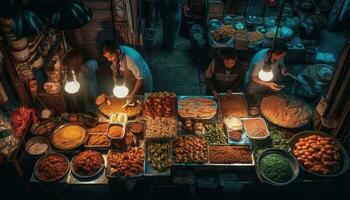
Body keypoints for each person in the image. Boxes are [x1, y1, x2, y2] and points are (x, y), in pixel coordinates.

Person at [245, 42, 288, 106]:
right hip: (255, 86)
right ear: (274, 54)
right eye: (281, 56)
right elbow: (253, 78)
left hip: (269, 83)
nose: (282, 57)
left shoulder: (278, 55)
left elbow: (281, 65)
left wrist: (283, 68)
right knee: (256, 103)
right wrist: (268, 84)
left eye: (283, 56)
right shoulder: (259, 60)